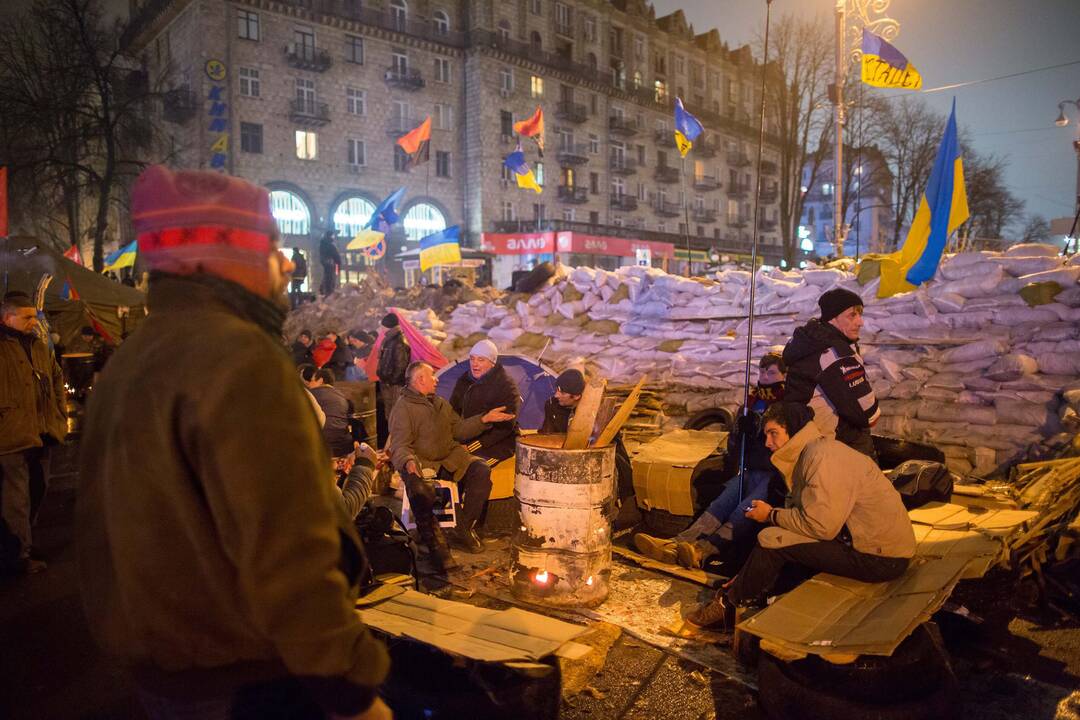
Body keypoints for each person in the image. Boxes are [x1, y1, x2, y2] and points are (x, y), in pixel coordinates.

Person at [76, 166, 391, 719]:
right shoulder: (239, 358)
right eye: (273, 247)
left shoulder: (135, 357)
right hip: (250, 680)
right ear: (237, 258)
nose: (289, 263)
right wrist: (350, 683)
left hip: (170, 673)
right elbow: (287, 547)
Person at [685, 402, 915, 633]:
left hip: (878, 557)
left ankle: (730, 606)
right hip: (863, 542)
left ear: (793, 431)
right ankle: (750, 590)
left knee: (772, 539)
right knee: (783, 539)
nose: (767, 443)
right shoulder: (814, 451)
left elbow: (820, 526)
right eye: (766, 435)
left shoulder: (821, 459)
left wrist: (771, 515)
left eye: (773, 433)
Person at [634, 352, 787, 572]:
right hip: (751, 467)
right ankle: (678, 543)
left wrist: (760, 433)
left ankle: (702, 550)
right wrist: (739, 430)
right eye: (762, 371)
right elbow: (735, 441)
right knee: (720, 504)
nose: (765, 377)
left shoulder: (785, 404)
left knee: (742, 511)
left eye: (771, 372)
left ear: (784, 375)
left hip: (773, 473)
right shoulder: (752, 401)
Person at [389, 362, 513, 563]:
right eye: (432, 376)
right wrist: (409, 461)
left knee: (481, 470)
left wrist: (484, 419)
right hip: (424, 464)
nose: (437, 380)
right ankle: (431, 539)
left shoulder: (439, 403)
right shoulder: (403, 408)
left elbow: (459, 430)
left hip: (451, 458)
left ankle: (463, 527)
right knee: (419, 486)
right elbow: (399, 445)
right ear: (420, 379)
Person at [0, 293, 66, 575]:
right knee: (16, 498)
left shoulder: (39, 346)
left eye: (35, 317)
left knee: (38, 489)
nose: (33, 323)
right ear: (7, 317)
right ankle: (19, 555)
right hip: (12, 436)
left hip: (43, 432)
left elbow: (56, 377)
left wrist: (59, 417)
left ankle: (24, 542)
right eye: (27, 317)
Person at [782, 287, 880, 459]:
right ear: (833, 318)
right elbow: (869, 415)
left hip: (808, 446)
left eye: (860, 314)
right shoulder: (835, 355)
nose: (860, 322)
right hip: (838, 452)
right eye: (852, 315)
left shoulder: (809, 344)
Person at [540, 368, 634, 505]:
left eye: (562, 392)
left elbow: (607, 443)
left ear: (576, 396)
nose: (556, 395)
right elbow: (547, 435)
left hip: (593, 460)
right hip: (562, 456)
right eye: (557, 390)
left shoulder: (598, 410)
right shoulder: (552, 405)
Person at [448, 339, 521, 463]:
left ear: (492, 363)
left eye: (481, 360)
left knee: (474, 468)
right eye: (472, 358)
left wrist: (472, 446)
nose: (474, 364)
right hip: (466, 436)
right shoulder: (464, 380)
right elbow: (453, 411)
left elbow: (504, 428)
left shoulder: (506, 386)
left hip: (496, 445)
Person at [309, 367, 357, 457]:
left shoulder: (311, 395)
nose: (310, 384)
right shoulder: (342, 396)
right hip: (344, 444)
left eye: (312, 381)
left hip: (320, 445)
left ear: (320, 380)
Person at [377, 313, 410, 419]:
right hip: (388, 383)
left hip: (395, 385)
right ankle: (391, 434)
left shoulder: (399, 341)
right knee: (390, 413)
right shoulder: (389, 339)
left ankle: (396, 435)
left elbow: (401, 365)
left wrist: (392, 380)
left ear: (386, 325)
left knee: (396, 414)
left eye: (382, 325)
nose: (381, 328)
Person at [318, 230, 342, 296]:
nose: (334, 237)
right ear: (330, 236)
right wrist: (337, 268)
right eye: (333, 235)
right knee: (331, 279)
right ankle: (328, 293)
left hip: (329, 264)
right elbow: (337, 258)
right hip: (333, 265)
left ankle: (323, 291)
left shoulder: (323, 244)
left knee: (327, 278)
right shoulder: (330, 245)